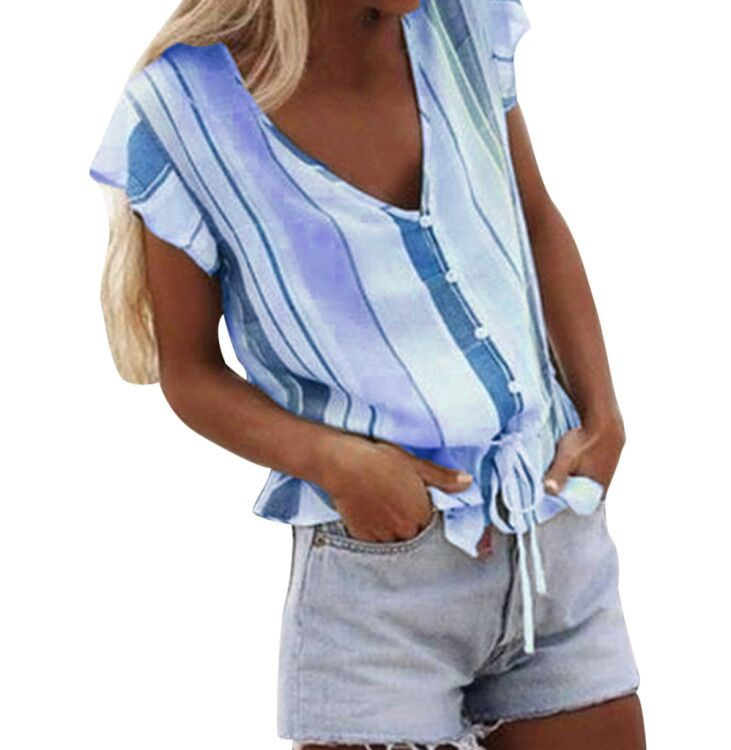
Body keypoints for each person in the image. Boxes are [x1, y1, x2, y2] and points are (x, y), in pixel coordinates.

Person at [88, 1, 646, 748]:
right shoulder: (178, 112)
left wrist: (603, 415)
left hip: (552, 541)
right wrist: (336, 463)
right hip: (379, 584)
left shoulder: (460, 23)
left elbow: (535, 218)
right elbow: (188, 372)